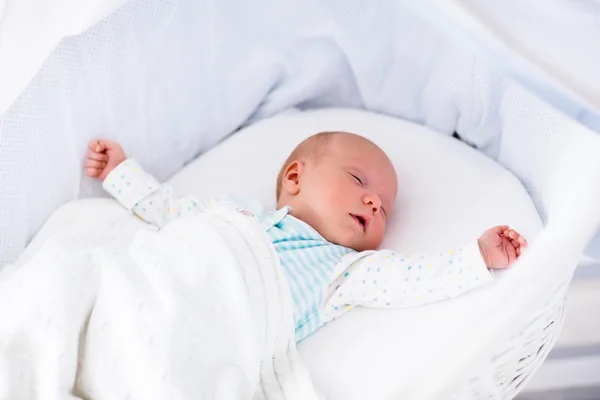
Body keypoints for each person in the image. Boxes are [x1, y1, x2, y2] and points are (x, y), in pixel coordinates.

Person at [84, 131, 528, 342]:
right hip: (152, 288)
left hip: (206, 336)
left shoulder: (342, 270)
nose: (375, 203)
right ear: (296, 177)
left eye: (385, 209)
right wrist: (121, 172)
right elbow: (168, 210)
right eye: (358, 180)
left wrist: (479, 256)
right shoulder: (234, 212)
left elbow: (412, 279)